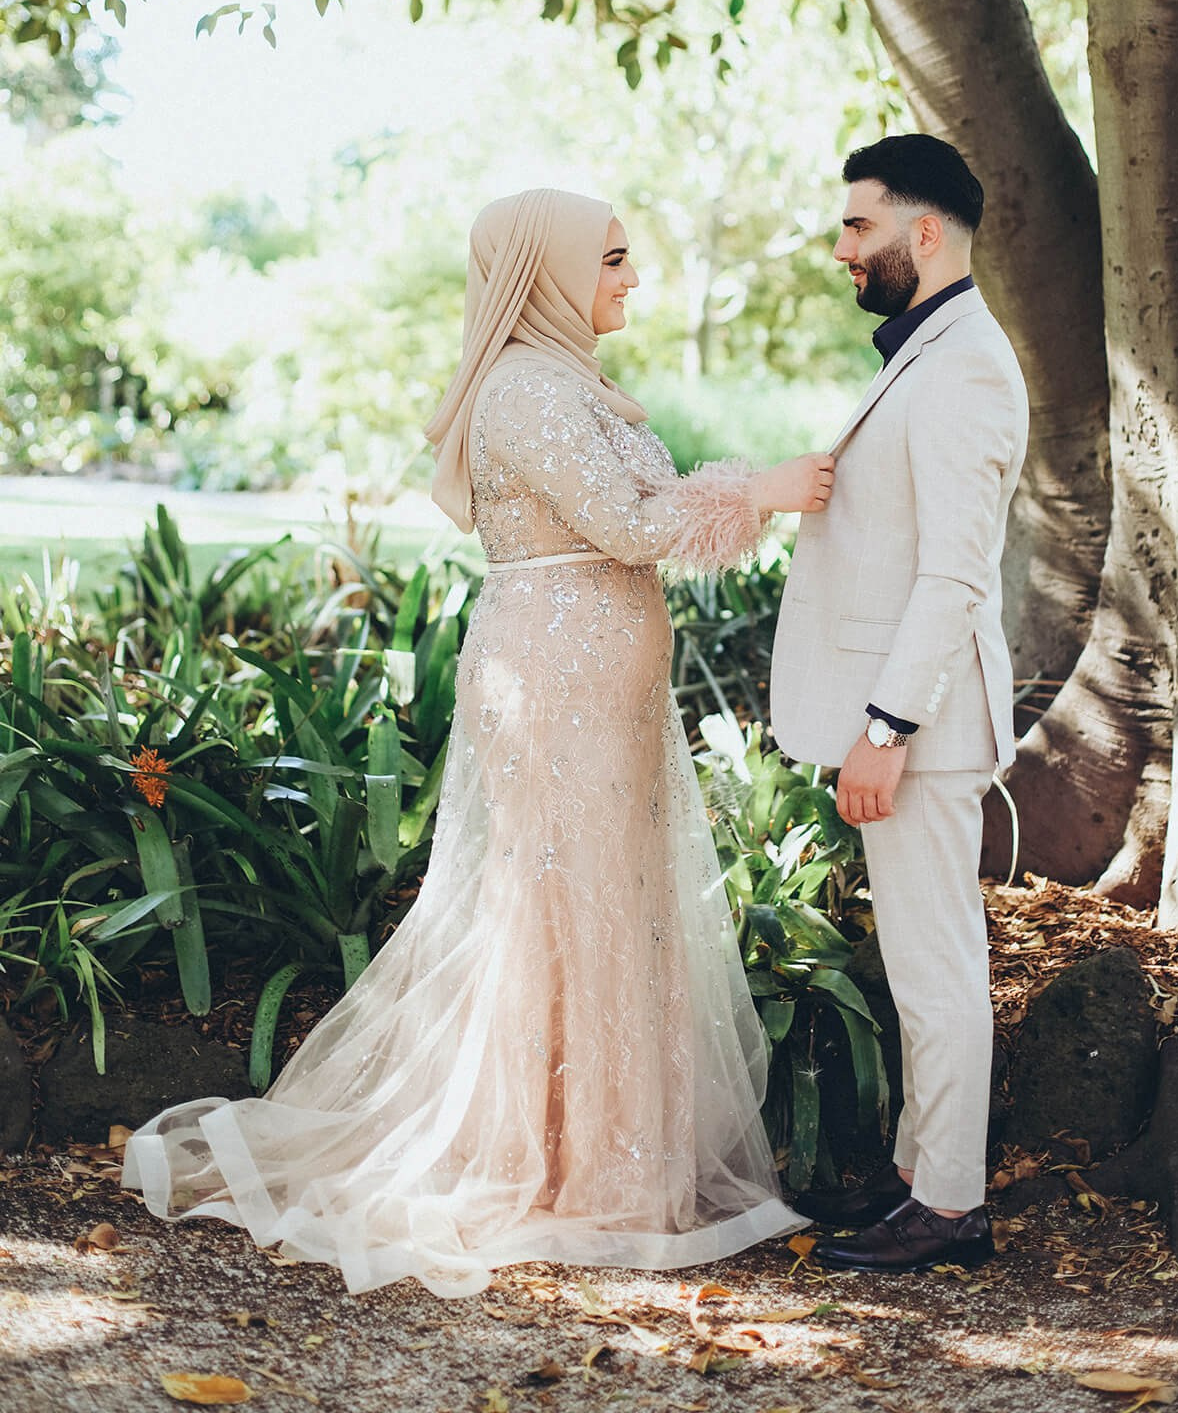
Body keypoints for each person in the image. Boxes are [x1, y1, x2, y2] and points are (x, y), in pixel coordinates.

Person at [124, 186, 833, 1298]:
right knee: (565, 897)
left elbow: (644, 502)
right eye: (610, 258)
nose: (631, 277)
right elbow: (634, 524)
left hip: (599, 674)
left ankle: (603, 1150)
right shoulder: (527, 392)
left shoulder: (573, 384)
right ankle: (556, 1159)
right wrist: (766, 490)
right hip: (557, 677)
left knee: (608, 894)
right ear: (548, 271)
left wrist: (745, 491)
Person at [769, 135, 1029, 1272]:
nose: (840, 248)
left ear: (924, 233)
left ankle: (951, 1206)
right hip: (905, 717)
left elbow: (955, 574)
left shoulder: (968, 361)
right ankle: (923, 1180)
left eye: (856, 225)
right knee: (925, 957)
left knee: (937, 963)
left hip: (922, 725)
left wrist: (886, 729)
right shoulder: (930, 349)